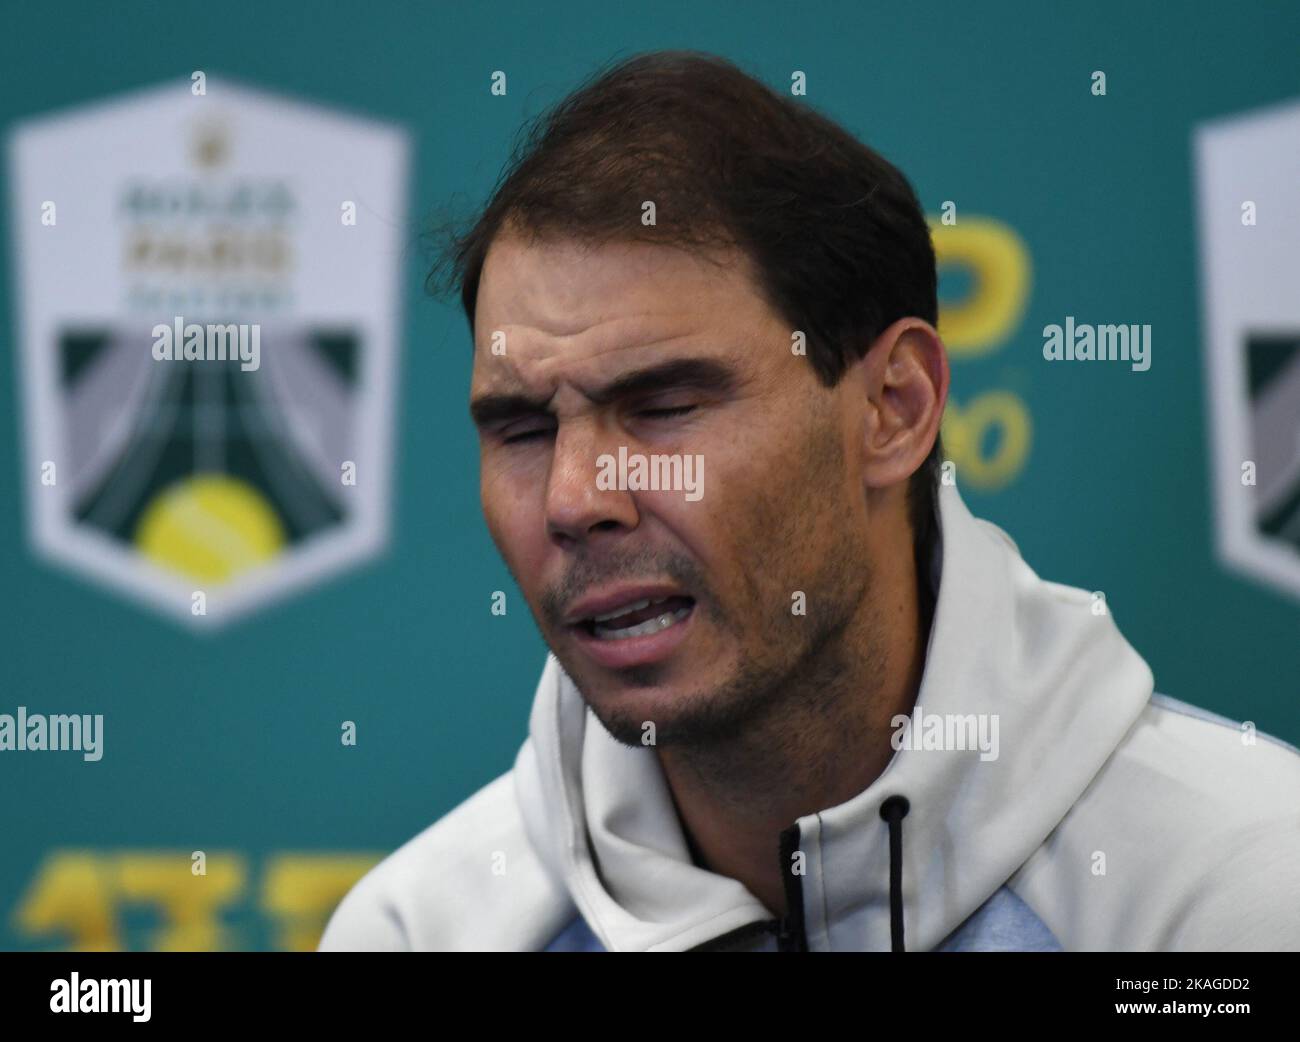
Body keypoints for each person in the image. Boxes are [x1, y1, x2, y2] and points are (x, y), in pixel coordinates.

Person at [319, 50, 1300, 952]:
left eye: (661, 406)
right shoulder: (421, 931)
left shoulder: (1240, 891)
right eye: (525, 429)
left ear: (891, 409)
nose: (575, 500)